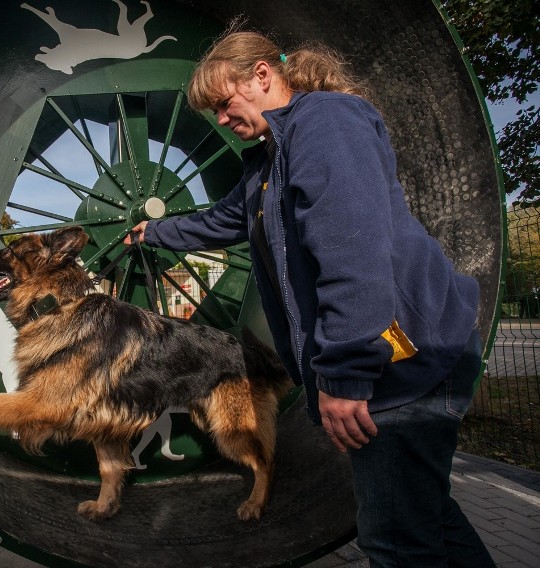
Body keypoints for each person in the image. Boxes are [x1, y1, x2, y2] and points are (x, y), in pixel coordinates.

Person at [127, 29, 495, 567]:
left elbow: (353, 250)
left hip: (402, 359)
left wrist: (346, 374)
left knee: (395, 543)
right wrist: (152, 233)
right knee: (427, 517)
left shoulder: (324, 122)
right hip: (393, 360)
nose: (223, 121)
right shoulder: (266, 163)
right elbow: (224, 220)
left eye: (226, 105)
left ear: (262, 75)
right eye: (215, 115)